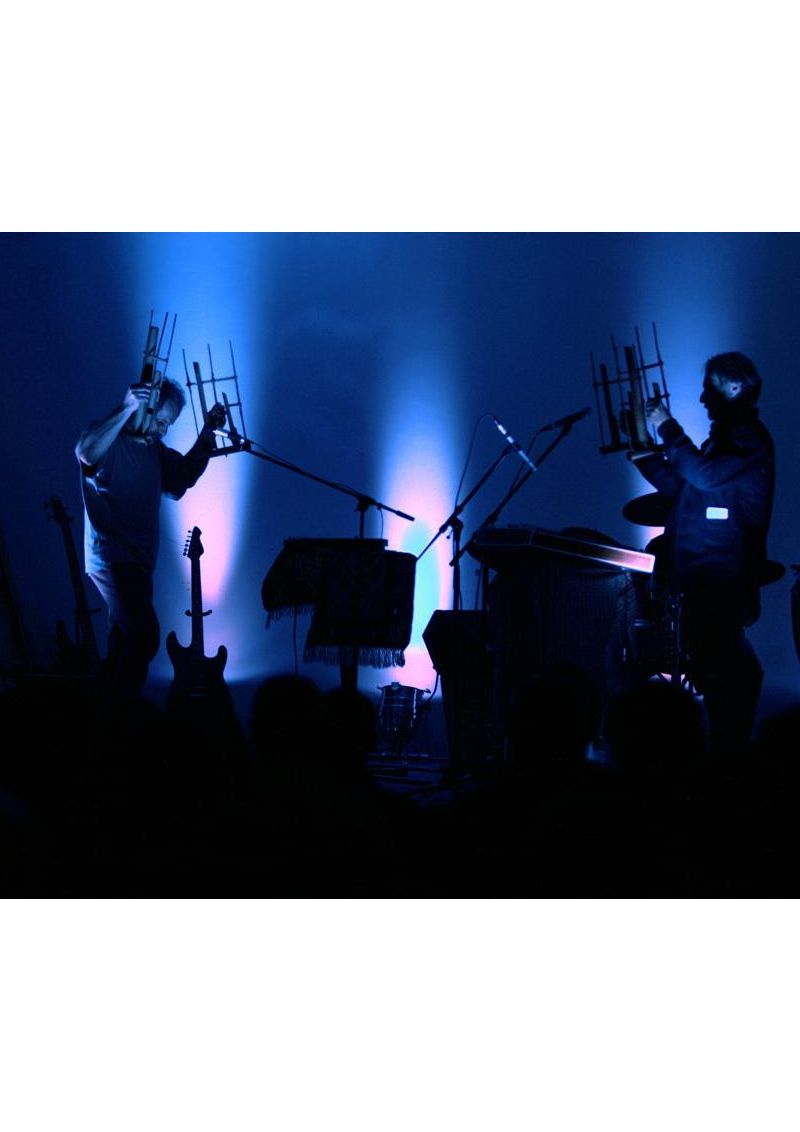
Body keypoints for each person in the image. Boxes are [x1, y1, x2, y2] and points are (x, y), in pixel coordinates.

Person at [631, 351, 775, 757]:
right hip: (704, 581)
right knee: (723, 673)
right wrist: (643, 452)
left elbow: (703, 476)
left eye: (710, 388)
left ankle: (730, 760)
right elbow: (686, 488)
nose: (702, 398)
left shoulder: (747, 441)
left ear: (735, 387)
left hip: (719, 583)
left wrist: (667, 426)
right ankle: (728, 756)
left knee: (727, 675)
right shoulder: (726, 443)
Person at [75, 378, 226, 701]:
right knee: (144, 635)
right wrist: (126, 406)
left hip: (140, 563)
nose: (163, 430)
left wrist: (206, 434)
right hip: (113, 557)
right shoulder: (110, 439)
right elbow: (86, 452)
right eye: (161, 420)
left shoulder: (153, 449)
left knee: (124, 643)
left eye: (169, 425)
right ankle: (122, 713)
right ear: (146, 407)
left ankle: (108, 713)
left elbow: (180, 479)